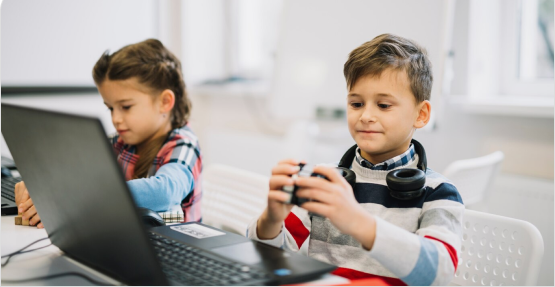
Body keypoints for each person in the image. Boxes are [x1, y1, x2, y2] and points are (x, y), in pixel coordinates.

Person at [247, 34, 464, 286]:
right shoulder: (327, 180)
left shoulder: (439, 193)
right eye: (356, 103)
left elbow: (440, 273)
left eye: (383, 105)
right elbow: (268, 259)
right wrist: (271, 219)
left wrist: (360, 223)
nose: (366, 116)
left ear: (421, 114)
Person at [14, 39, 203, 228]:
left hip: (174, 248)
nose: (116, 119)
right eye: (110, 108)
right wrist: (40, 185)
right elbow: (73, 168)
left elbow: (165, 192)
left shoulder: (184, 145)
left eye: (126, 107)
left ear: (165, 102)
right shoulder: (119, 141)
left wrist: (81, 194)